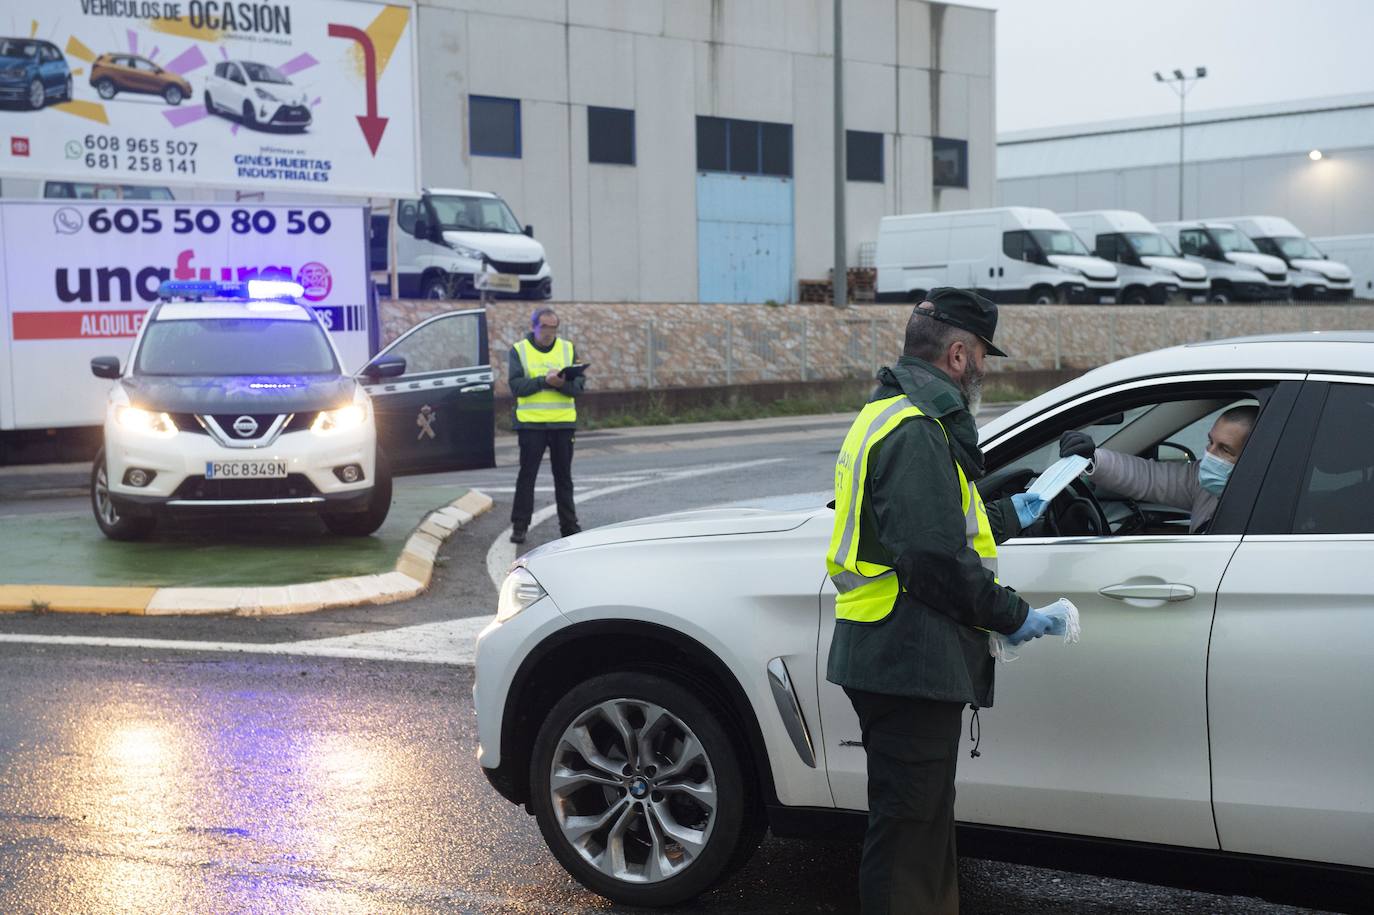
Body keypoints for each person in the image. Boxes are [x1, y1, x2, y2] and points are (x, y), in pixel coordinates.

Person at [826, 287, 1068, 914]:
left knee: (922, 824)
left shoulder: (896, 415)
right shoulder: (915, 431)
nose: (986, 367)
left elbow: (937, 524)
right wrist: (1014, 615)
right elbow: (932, 561)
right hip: (905, 655)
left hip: (897, 651)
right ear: (959, 355)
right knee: (908, 834)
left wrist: (1019, 509)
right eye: (985, 353)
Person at [1058, 404, 1258, 534]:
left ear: (1254, 456)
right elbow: (1148, 477)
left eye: (1224, 449)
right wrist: (1093, 457)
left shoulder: (1272, 506)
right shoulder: (1202, 485)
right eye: (1210, 442)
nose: (1209, 455)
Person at [508, 307, 586, 544]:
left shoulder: (568, 348)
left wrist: (561, 384)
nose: (549, 333)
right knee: (527, 476)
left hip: (563, 425)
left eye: (554, 328)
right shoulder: (519, 350)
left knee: (563, 477)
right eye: (545, 327)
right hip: (532, 425)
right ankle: (520, 526)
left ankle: (569, 527)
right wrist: (544, 381)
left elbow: (579, 387)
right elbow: (516, 386)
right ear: (534, 326)